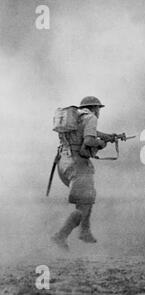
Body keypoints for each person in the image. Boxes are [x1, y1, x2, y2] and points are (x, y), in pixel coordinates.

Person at [51, 96, 108, 250]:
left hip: (64, 164)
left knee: (87, 197)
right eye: (99, 109)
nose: (99, 112)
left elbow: (87, 133)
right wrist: (101, 144)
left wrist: (108, 136)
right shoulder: (91, 118)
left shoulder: (75, 117)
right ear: (95, 108)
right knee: (82, 206)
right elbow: (89, 142)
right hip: (78, 165)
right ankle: (60, 235)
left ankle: (85, 231)